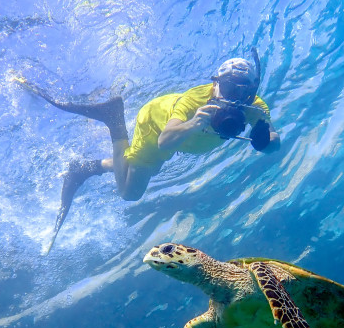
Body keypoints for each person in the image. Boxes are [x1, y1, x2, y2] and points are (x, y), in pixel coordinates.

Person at [15, 51, 281, 254]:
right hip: (156, 126)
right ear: (216, 84)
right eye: (231, 89)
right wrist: (192, 124)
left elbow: (274, 141)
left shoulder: (255, 108)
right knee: (130, 193)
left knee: (144, 168)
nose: (236, 98)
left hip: (180, 138)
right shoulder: (193, 101)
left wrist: (266, 140)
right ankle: (113, 121)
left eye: (245, 93)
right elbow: (165, 141)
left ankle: (87, 167)